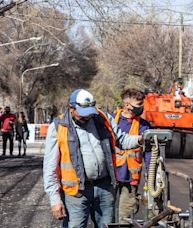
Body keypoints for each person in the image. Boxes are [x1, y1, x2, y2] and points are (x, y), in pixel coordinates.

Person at [43, 89, 143, 228]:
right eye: (83, 114)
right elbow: (49, 166)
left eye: (90, 112)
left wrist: (141, 139)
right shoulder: (58, 126)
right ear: (71, 108)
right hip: (76, 192)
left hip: (105, 188)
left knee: (107, 225)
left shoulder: (103, 118)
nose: (88, 116)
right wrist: (55, 200)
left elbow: (122, 139)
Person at [112, 88, 151, 223]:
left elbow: (149, 152)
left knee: (126, 216)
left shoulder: (144, 125)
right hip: (111, 176)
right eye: (139, 104)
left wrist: (151, 176)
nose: (142, 107)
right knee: (108, 214)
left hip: (131, 178)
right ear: (127, 105)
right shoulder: (112, 121)